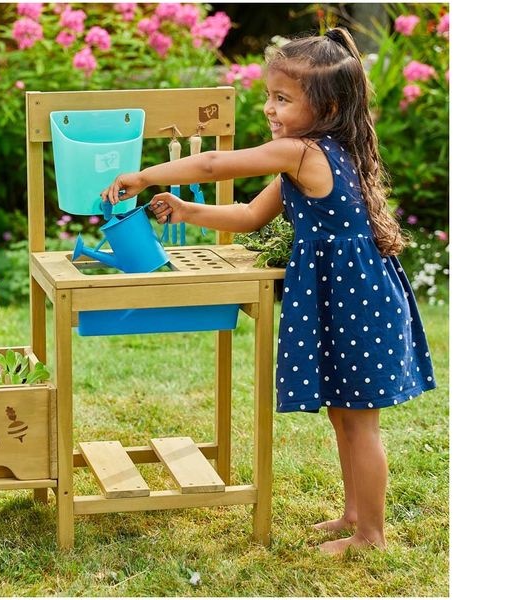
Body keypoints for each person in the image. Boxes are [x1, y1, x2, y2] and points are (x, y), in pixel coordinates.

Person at [102, 28, 436, 554]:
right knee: (343, 414)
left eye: (283, 98)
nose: (269, 108)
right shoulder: (308, 160)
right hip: (347, 299)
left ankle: (371, 534)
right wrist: (187, 210)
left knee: (360, 423)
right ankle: (353, 514)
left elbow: (212, 164)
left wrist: (144, 175)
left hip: (358, 303)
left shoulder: (302, 153)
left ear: (326, 107)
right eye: (269, 96)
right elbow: (249, 216)